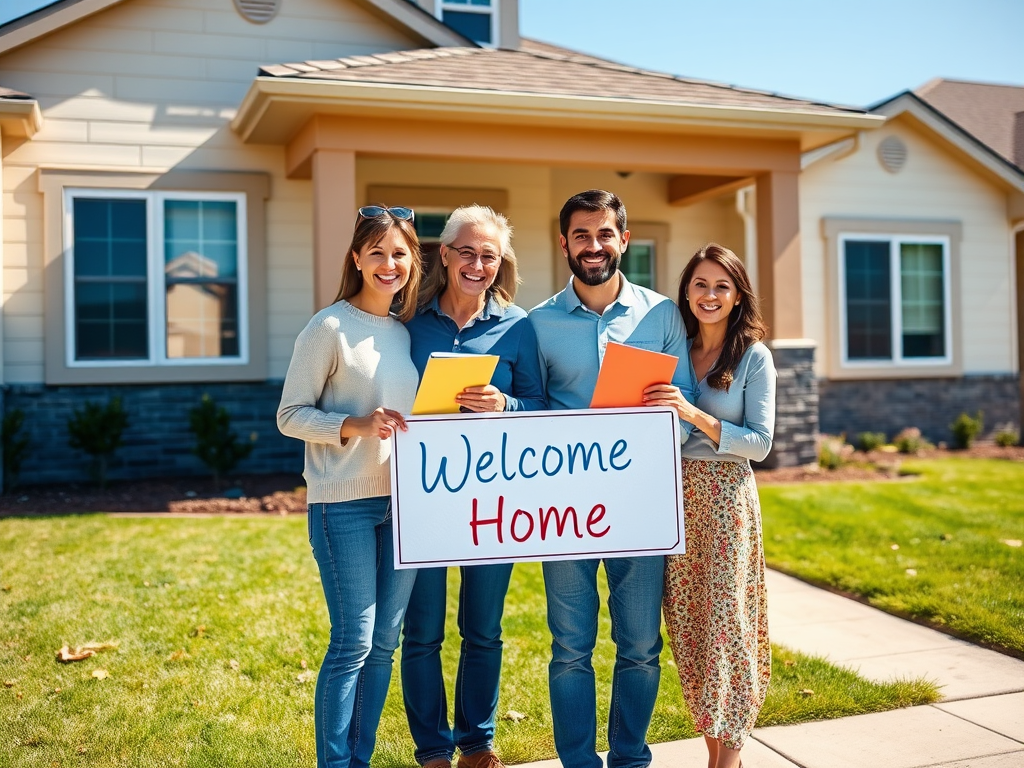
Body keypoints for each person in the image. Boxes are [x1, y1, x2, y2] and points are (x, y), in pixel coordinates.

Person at [528, 190, 694, 768]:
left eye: (604, 234)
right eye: (581, 235)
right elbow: (530, 410)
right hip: (566, 509)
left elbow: (686, 404)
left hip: (640, 504)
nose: (593, 246)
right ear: (564, 243)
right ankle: (578, 762)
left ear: (624, 239)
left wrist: (657, 426)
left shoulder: (663, 315)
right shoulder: (539, 323)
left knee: (642, 647)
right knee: (570, 648)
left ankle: (629, 758)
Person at [277, 205, 423, 768]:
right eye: (378, 252)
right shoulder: (329, 327)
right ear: (357, 257)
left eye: (400, 253)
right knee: (354, 641)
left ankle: (356, 759)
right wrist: (354, 425)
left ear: (413, 261)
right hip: (345, 505)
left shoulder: (404, 334)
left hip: (405, 504)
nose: (390, 263)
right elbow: (289, 414)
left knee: (385, 640)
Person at [401, 205, 546, 768]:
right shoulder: (407, 322)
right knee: (422, 633)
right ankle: (433, 749)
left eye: (489, 255)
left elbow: (539, 406)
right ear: (445, 254)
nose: (477, 264)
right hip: (423, 499)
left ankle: (477, 744)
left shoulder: (519, 326)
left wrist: (504, 403)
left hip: (493, 501)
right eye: (467, 251)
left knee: (483, 629)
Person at [643, 243, 776, 768]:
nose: (710, 295)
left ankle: (728, 758)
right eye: (701, 284)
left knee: (728, 626)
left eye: (722, 285)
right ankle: (721, 754)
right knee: (692, 628)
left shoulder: (753, 356)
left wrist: (693, 414)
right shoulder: (676, 351)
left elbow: (761, 443)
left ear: (738, 294)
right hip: (675, 497)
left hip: (725, 500)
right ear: (687, 291)